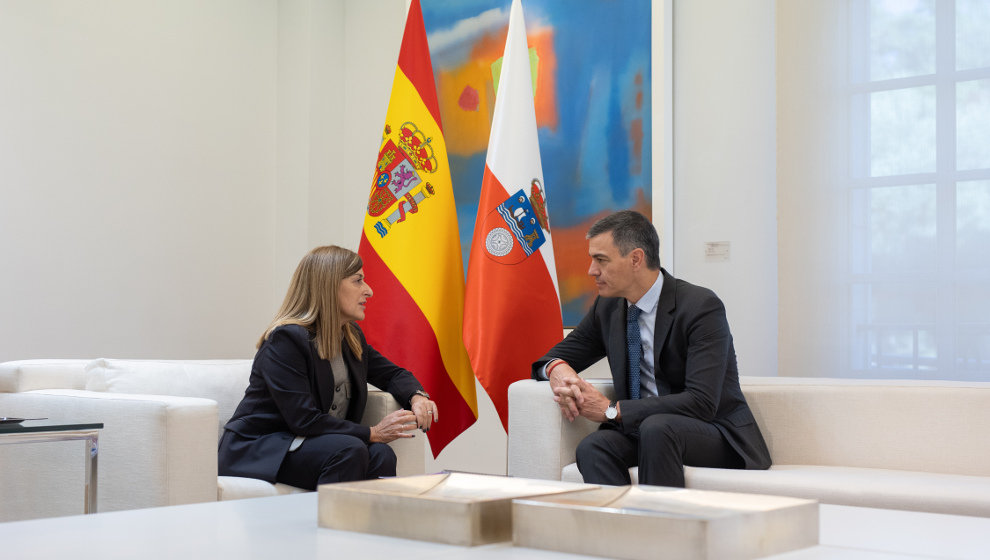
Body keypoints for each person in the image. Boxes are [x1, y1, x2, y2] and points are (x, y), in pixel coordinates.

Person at [533, 210, 771, 487]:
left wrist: (613, 411)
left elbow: (702, 402)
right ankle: (623, 527)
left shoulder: (700, 306)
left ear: (635, 259)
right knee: (593, 447)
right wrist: (557, 369)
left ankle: (663, 526)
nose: (591, 271)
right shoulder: (608, 307)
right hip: (647, 431)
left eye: (601, 260)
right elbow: (553, 356)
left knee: (657, 428)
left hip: (715, 432)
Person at [218, 245, 438, 489]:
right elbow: (303, 419)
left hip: (312, 443)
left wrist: (417, 397)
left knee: (381, 455)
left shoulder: (350, 336)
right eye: (358, 281)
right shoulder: (286, 340)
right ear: (329, 286)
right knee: (349, 449)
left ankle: (370, 528)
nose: (369, 291)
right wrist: (372, 433)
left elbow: (392, 374)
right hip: (263, 446)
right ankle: (326, 528)